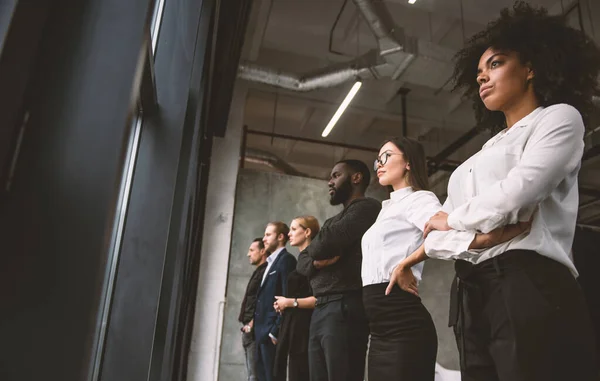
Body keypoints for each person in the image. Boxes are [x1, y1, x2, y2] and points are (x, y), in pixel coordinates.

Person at [421, 3, 600, 381]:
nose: (482, 78)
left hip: (529, 281)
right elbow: (432, 239)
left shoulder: (558, 118)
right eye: (479, 72)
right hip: (470, 288)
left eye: (496, 64)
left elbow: (517, 193)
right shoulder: (479, 156)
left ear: (530, 68)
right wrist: (480, 238)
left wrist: (452, 220)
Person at [363, 137, 530, 381]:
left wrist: (484, 240)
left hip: (401, 323)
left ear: (408, 162)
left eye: (386, 156)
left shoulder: (419, 200)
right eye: (377, 159)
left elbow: (442, 234)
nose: (379, 163)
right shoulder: (385, 209)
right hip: (378, 329)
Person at [296, 160, 381, 381]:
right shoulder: (333, 221)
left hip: (344, 307)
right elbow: (302, 260)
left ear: (356, 178)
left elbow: (326, 243)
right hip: (321, 309)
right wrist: (315, 263)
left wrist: (316, 250)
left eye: (336, 175)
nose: (330, 182)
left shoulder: (368, 208)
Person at [273, 216, 320, 381]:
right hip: (294, 326)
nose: (289, 234)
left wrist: (290, 302)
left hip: (305, 328)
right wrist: (284, 304)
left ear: (307, 232)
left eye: (294, 229)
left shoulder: (314, 261)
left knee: (300, 372)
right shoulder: (302, 259)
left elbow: (319, 298)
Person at [254, 222, 297, 381]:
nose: (264, 239)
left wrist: (275, 331)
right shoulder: (270, 262)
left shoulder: (287, 260)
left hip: (270, 333)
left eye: (268, 235)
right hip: (260, 333)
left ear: (280, 237)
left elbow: (287, 295)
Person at [239, 238, 269, 381]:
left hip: (255, 330)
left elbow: (264, 300)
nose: (248, 254)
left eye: (252, 250)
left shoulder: (266, 272)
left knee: (255, 377)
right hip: (249, 330)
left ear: (262, 251)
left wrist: (252, 324)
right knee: (252, 376)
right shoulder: (259, 271)